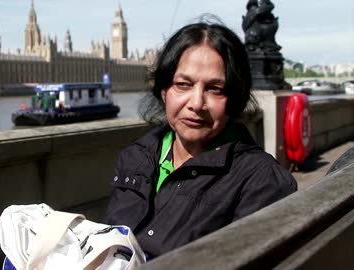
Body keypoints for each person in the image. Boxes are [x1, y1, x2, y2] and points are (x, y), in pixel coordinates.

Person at [102, 21, 297, 258]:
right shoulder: (135, 157)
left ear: (235, 99)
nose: (196, 103)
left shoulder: (261, 182)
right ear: (164, 91)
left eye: (215, 89)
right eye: (183, 85)